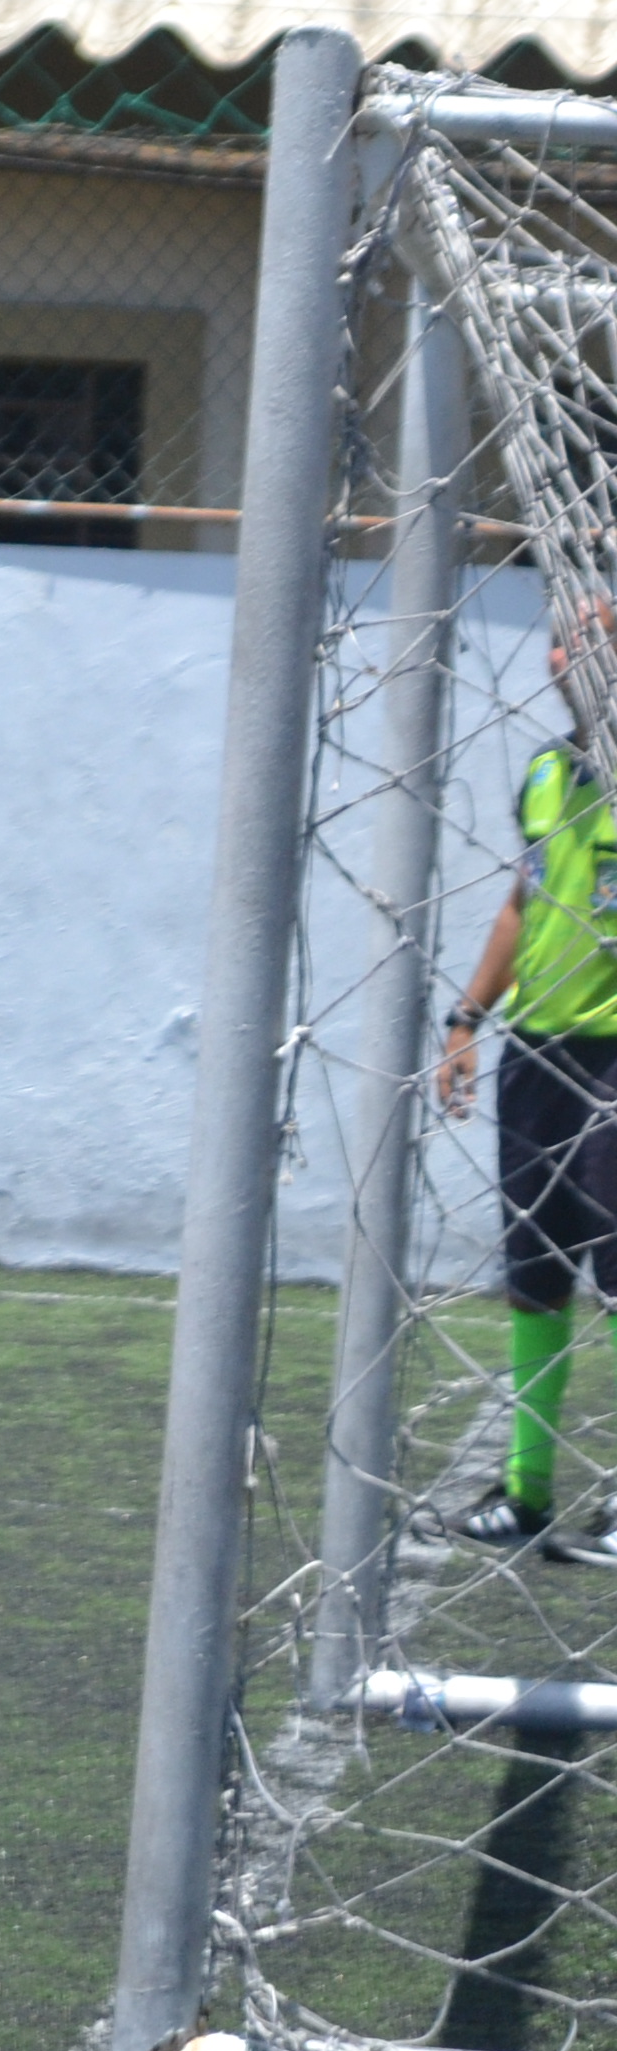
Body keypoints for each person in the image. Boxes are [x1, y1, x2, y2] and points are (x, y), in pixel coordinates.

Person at [432, 660, 617, 1550]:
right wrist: (467, 1017)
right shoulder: (548, 770)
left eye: (595, 634)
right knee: (536, 1276)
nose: (569, 656)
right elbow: (522, 899)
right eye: (561, 641)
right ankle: (526, 1492)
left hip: (614, 1055)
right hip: (536, 1053)